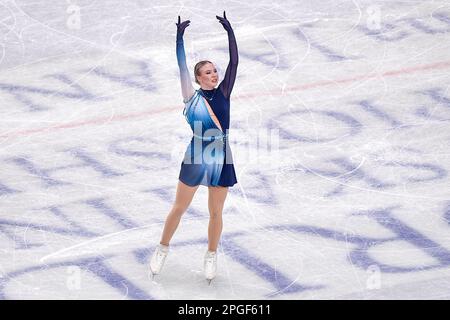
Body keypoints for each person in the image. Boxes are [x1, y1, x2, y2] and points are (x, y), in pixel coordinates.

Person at [149, 11, 239, 285]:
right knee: (179, 207)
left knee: (216, 212)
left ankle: (211, 255)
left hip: (222, 155)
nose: (214, 75)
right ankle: (162, 248)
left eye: (214, 71)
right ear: (199, 78)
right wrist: (179, 39)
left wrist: (229, 31)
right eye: (208, 72)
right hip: (197, 153)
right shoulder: (191, 96)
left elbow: (235, 61)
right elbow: (182, 67)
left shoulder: (224, 92)